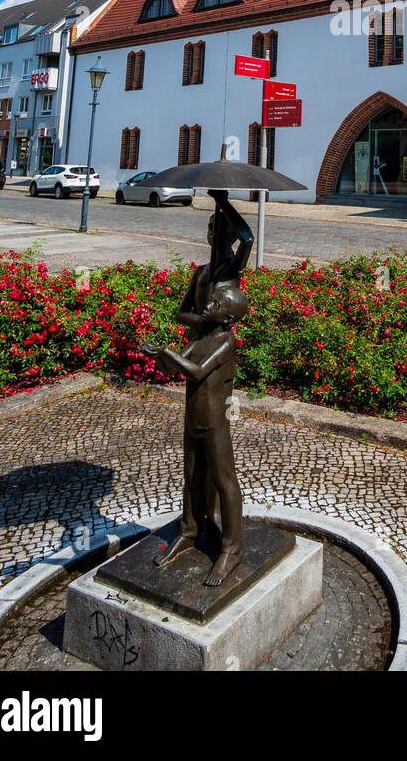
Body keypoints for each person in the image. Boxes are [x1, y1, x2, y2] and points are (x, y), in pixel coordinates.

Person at [141, 198, 253, 587]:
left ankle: (230, 548)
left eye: (219, 231)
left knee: (222, 475)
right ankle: (190, 530)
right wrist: (202, 319)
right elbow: (182, 313)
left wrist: (223, 201)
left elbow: (248, 236)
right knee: (192, 470)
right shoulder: (203, 271)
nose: (214, 236)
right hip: (199, 350)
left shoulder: (231, 270)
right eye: (212, 230)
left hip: (212, 368)